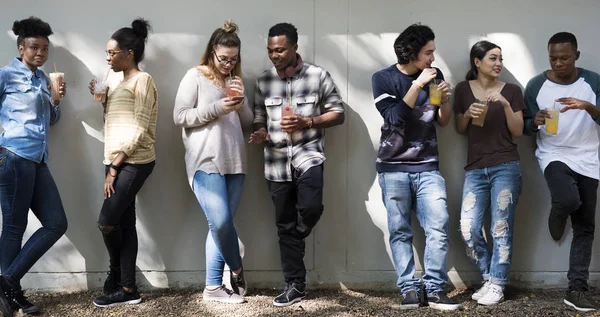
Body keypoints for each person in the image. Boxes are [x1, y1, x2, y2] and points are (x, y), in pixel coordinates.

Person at [249, 22, 345, 307]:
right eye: (270, 51)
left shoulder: (318, 76)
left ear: (294, 47)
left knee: (309, 209)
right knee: (283, 225)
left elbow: (337, 113)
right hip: (275, 162)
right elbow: (258, 115)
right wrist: (260, 130)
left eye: (280, 50)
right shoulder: (263, 81)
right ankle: (295, 285)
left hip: (309, 154)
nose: (274, 55)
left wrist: (308, 122)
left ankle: (298, 230)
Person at [371, 23, 460, 311]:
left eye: (433, 52)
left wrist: (445, 100)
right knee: (400, 231)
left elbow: (442, 120)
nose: (433, 58)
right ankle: (409, 288)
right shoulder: (383, 78)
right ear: (410, 53)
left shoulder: (435, 76)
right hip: (393, 168)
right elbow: (395, 117)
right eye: (428, 53)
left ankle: (434, 289)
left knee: (438, 226)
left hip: (428, 166)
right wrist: (419, 84)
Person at [173, 20, 252, 304]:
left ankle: (213, 288)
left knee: (220, 225)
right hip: (205, 160)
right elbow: (180, 115)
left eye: (234, 59)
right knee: (220, 223)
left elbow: (246, 123)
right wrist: (217, 108)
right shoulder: (195, 76)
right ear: (211, 52)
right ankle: (237, 266)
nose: (228, 64)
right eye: (223, 58)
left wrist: (241, 102)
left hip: (236, 161)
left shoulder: (235, 80)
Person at [523, 32, 600, 312]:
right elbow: (523, 126)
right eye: (553, 58)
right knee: (567, 200)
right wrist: (535, 121)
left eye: (564, 57)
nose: (558, 63)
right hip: (553, 154)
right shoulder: (536, 85)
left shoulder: (592, 81)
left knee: (585, 227)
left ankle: (576, 289)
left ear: (576, 55)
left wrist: (588, 107)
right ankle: (559, 210)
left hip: (590, 159)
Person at [0, 16, 68, 317]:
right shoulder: (5, 75)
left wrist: (55, 99)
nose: (40, 53)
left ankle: (6, 283)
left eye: (44, 48)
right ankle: (12, 294)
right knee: (14, 227)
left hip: (38, 159)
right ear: (21, 47)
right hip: (13, 156)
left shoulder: (43, 79)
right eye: (34, 47)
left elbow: (50, 122)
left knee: (56, 223)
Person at [88, 18, 158, 308]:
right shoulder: (119, 82)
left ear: (129, 52)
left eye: (111, 53)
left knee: (106, 222)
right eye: (107, 53)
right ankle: (128, 288)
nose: (108, 58)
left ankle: (117, 275)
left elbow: (140, 128)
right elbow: (116, 124)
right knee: (124, 224)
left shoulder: (143, 81)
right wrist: (103, 101)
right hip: (115, 158)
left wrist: (115, 168)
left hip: (134, 161)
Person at [454, 40, 525, 305]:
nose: (498, 64)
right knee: (468, 229)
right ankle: (490, 276)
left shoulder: (512, 91)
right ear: (477, 62)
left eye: (500, 59)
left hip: (506, 166)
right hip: (475, 169)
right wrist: (468, 115)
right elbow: (460, 128)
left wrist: (506, 105)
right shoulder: (463, 90)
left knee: (500, 227)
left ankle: (497, 284)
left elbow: (518, 131)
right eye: (492, 58)